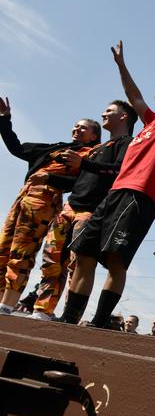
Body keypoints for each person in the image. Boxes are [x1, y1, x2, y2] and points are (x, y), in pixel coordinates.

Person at [63, 11, 155, 327]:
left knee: (115, 260)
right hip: (114, 195)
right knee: (83, 255)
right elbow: (133, 95)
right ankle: (69, 319)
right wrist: (122, 66)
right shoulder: (150, 123)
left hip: (139, 198)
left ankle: (97, 322)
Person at [31, 100, 136, 321]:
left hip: (91, 213)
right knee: (50, 260)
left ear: (124, 116)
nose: (103, 114)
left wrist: (84, 164)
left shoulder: (128, 143)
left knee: (78, 265)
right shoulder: (97, 148)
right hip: (69, 207)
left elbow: (119, 171)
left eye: (109, 111)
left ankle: (70, 316)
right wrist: (50, 177)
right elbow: (79, 177)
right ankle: (42, 311)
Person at [0, 97, 100, 314]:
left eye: (83, 128)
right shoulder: (55, 148)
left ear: (94, 136)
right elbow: (17, 148)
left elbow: (81, 183)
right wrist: (4, 119)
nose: (77, 129)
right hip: (23, 197)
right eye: (75, 126)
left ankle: (7, 306)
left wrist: (50, 179)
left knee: (22, 251)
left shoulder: (90, 155)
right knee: (3, 249)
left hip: (45, 200)